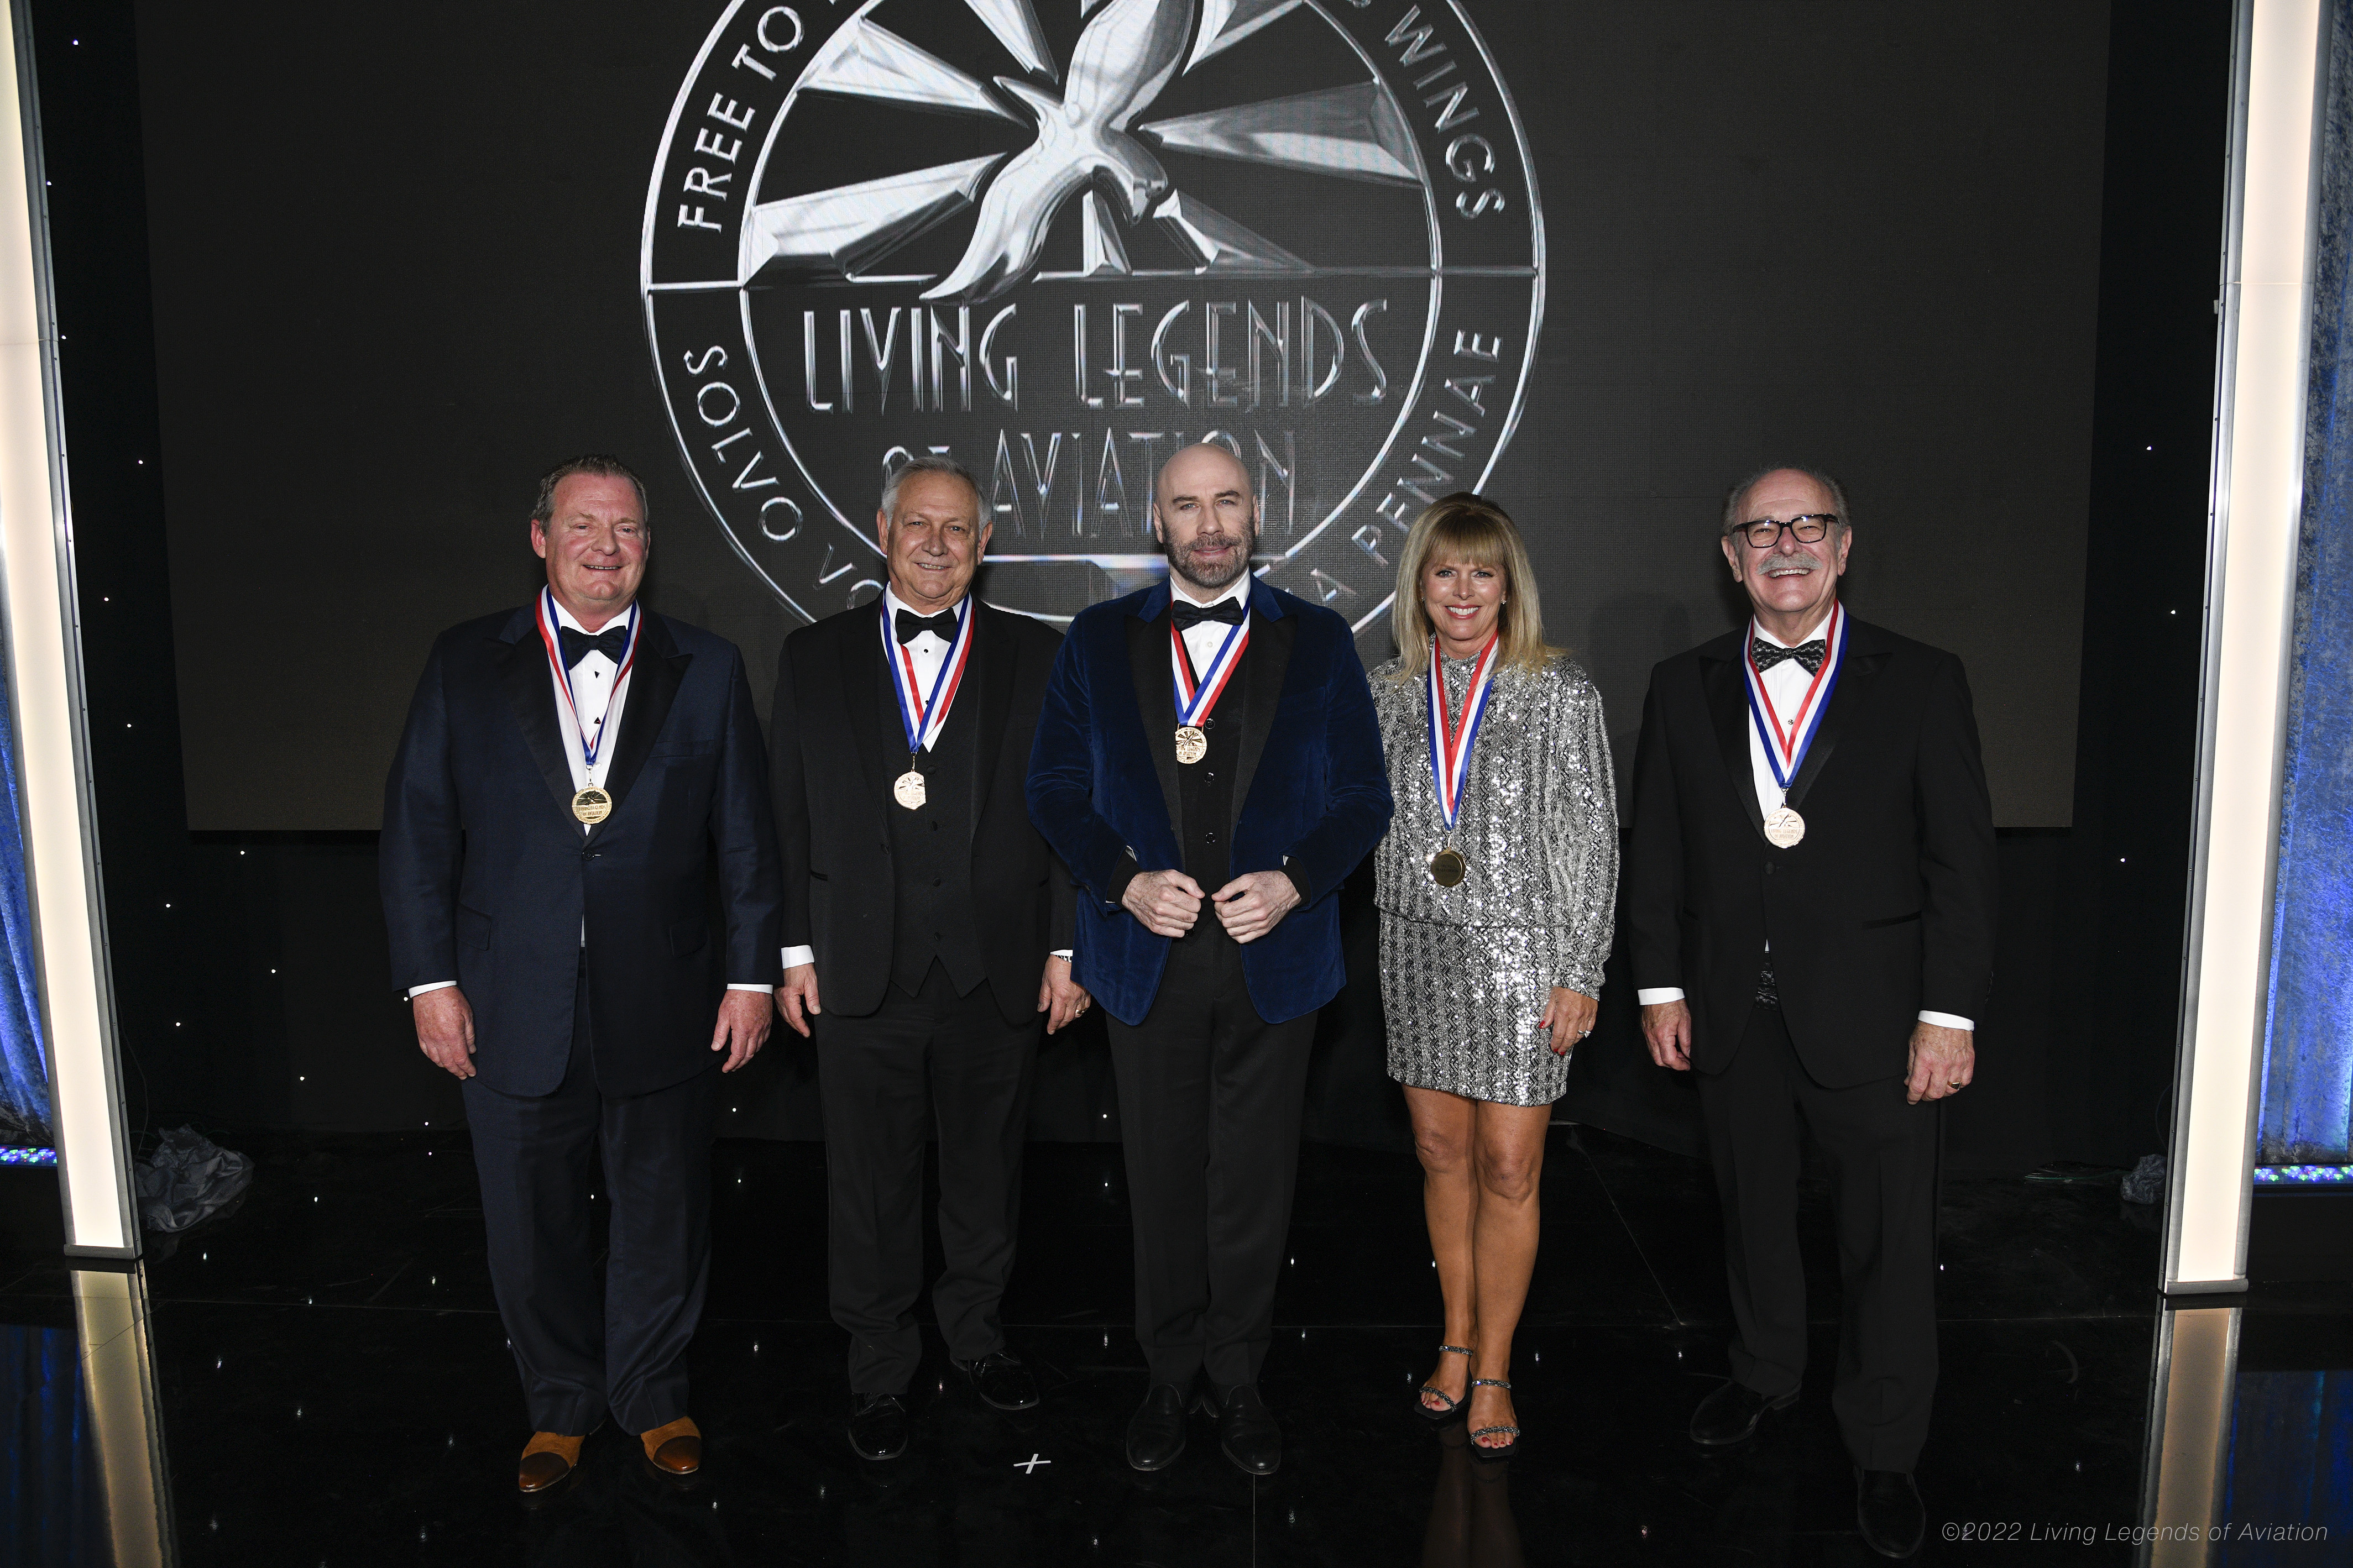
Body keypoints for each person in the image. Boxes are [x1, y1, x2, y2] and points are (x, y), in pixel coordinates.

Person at [381, 455, 781, 1493]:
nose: (606, 547)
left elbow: (745, 839)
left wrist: (749, 977)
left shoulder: (710, 665)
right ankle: (557, 1403)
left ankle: (652, 1395)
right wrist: (430, 982)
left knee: (663, 1210)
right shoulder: (465, 661)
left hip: (669, 994)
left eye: (628, 530)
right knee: (530, 1217)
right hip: (510, 996)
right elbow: (420, 831)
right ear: (540, 538)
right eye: (584, 526)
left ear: (651, 546)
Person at [1626, 466, 1996, 1560]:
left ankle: (1882, 1446)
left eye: (1807, 526)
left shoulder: (1923, 680)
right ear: (1731, 557)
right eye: (1760, 530)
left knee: (1885, 1242)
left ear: (1841, 549)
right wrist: (1658, 986)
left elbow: (1962, 867)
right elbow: (1658, 846)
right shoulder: (1677, 684)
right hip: (1733, 1012)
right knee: (1749, 1217)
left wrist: (1947, 1015)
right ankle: (1764, 1375)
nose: (1785, 544)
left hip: (1881, 1023)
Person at [1026, 442, 1393, 1477]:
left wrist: (1296, 881)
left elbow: (1365, 794)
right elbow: (1053, 787)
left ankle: (1238, 1379)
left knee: (1254, 1183)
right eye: (1187, 505)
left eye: (1228, 500)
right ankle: (1166, 1374)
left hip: (1274, 958)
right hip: (1145, 957)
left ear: (1258, 512)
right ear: (1158, 522)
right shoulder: (1096, 641)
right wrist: (1123, 877)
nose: (1210, 523)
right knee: (1161, 1178)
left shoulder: (1317, 640)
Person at [768, 454, 1089, 1463]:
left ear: (984, 543)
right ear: (883, 528)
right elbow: (784, 816)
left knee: (985, 1171)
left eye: (958, 528)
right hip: (858, 969)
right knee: (868, 1180)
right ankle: (878, 1369)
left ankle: (978, 1339)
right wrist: (789, 948)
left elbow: (1074, 810)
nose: (938, 544)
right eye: (919, 524)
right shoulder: (809, 655)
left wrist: (1067, 942)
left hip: (995, 966)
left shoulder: (1042, 655)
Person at [1369, 494, 1618, 1461]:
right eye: (1444, 571)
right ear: (1420, 585)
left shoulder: (1561, 690)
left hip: (1528, 958)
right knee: (1440, 1156)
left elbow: (1590, 840)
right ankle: (1456, 1334)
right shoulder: (1387, 690)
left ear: (1508, 582)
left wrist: (1579, 967)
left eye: (1481, 570)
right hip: (1416, 947)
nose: (1463, 589)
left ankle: (1498, 1363)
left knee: (1510, 1166)